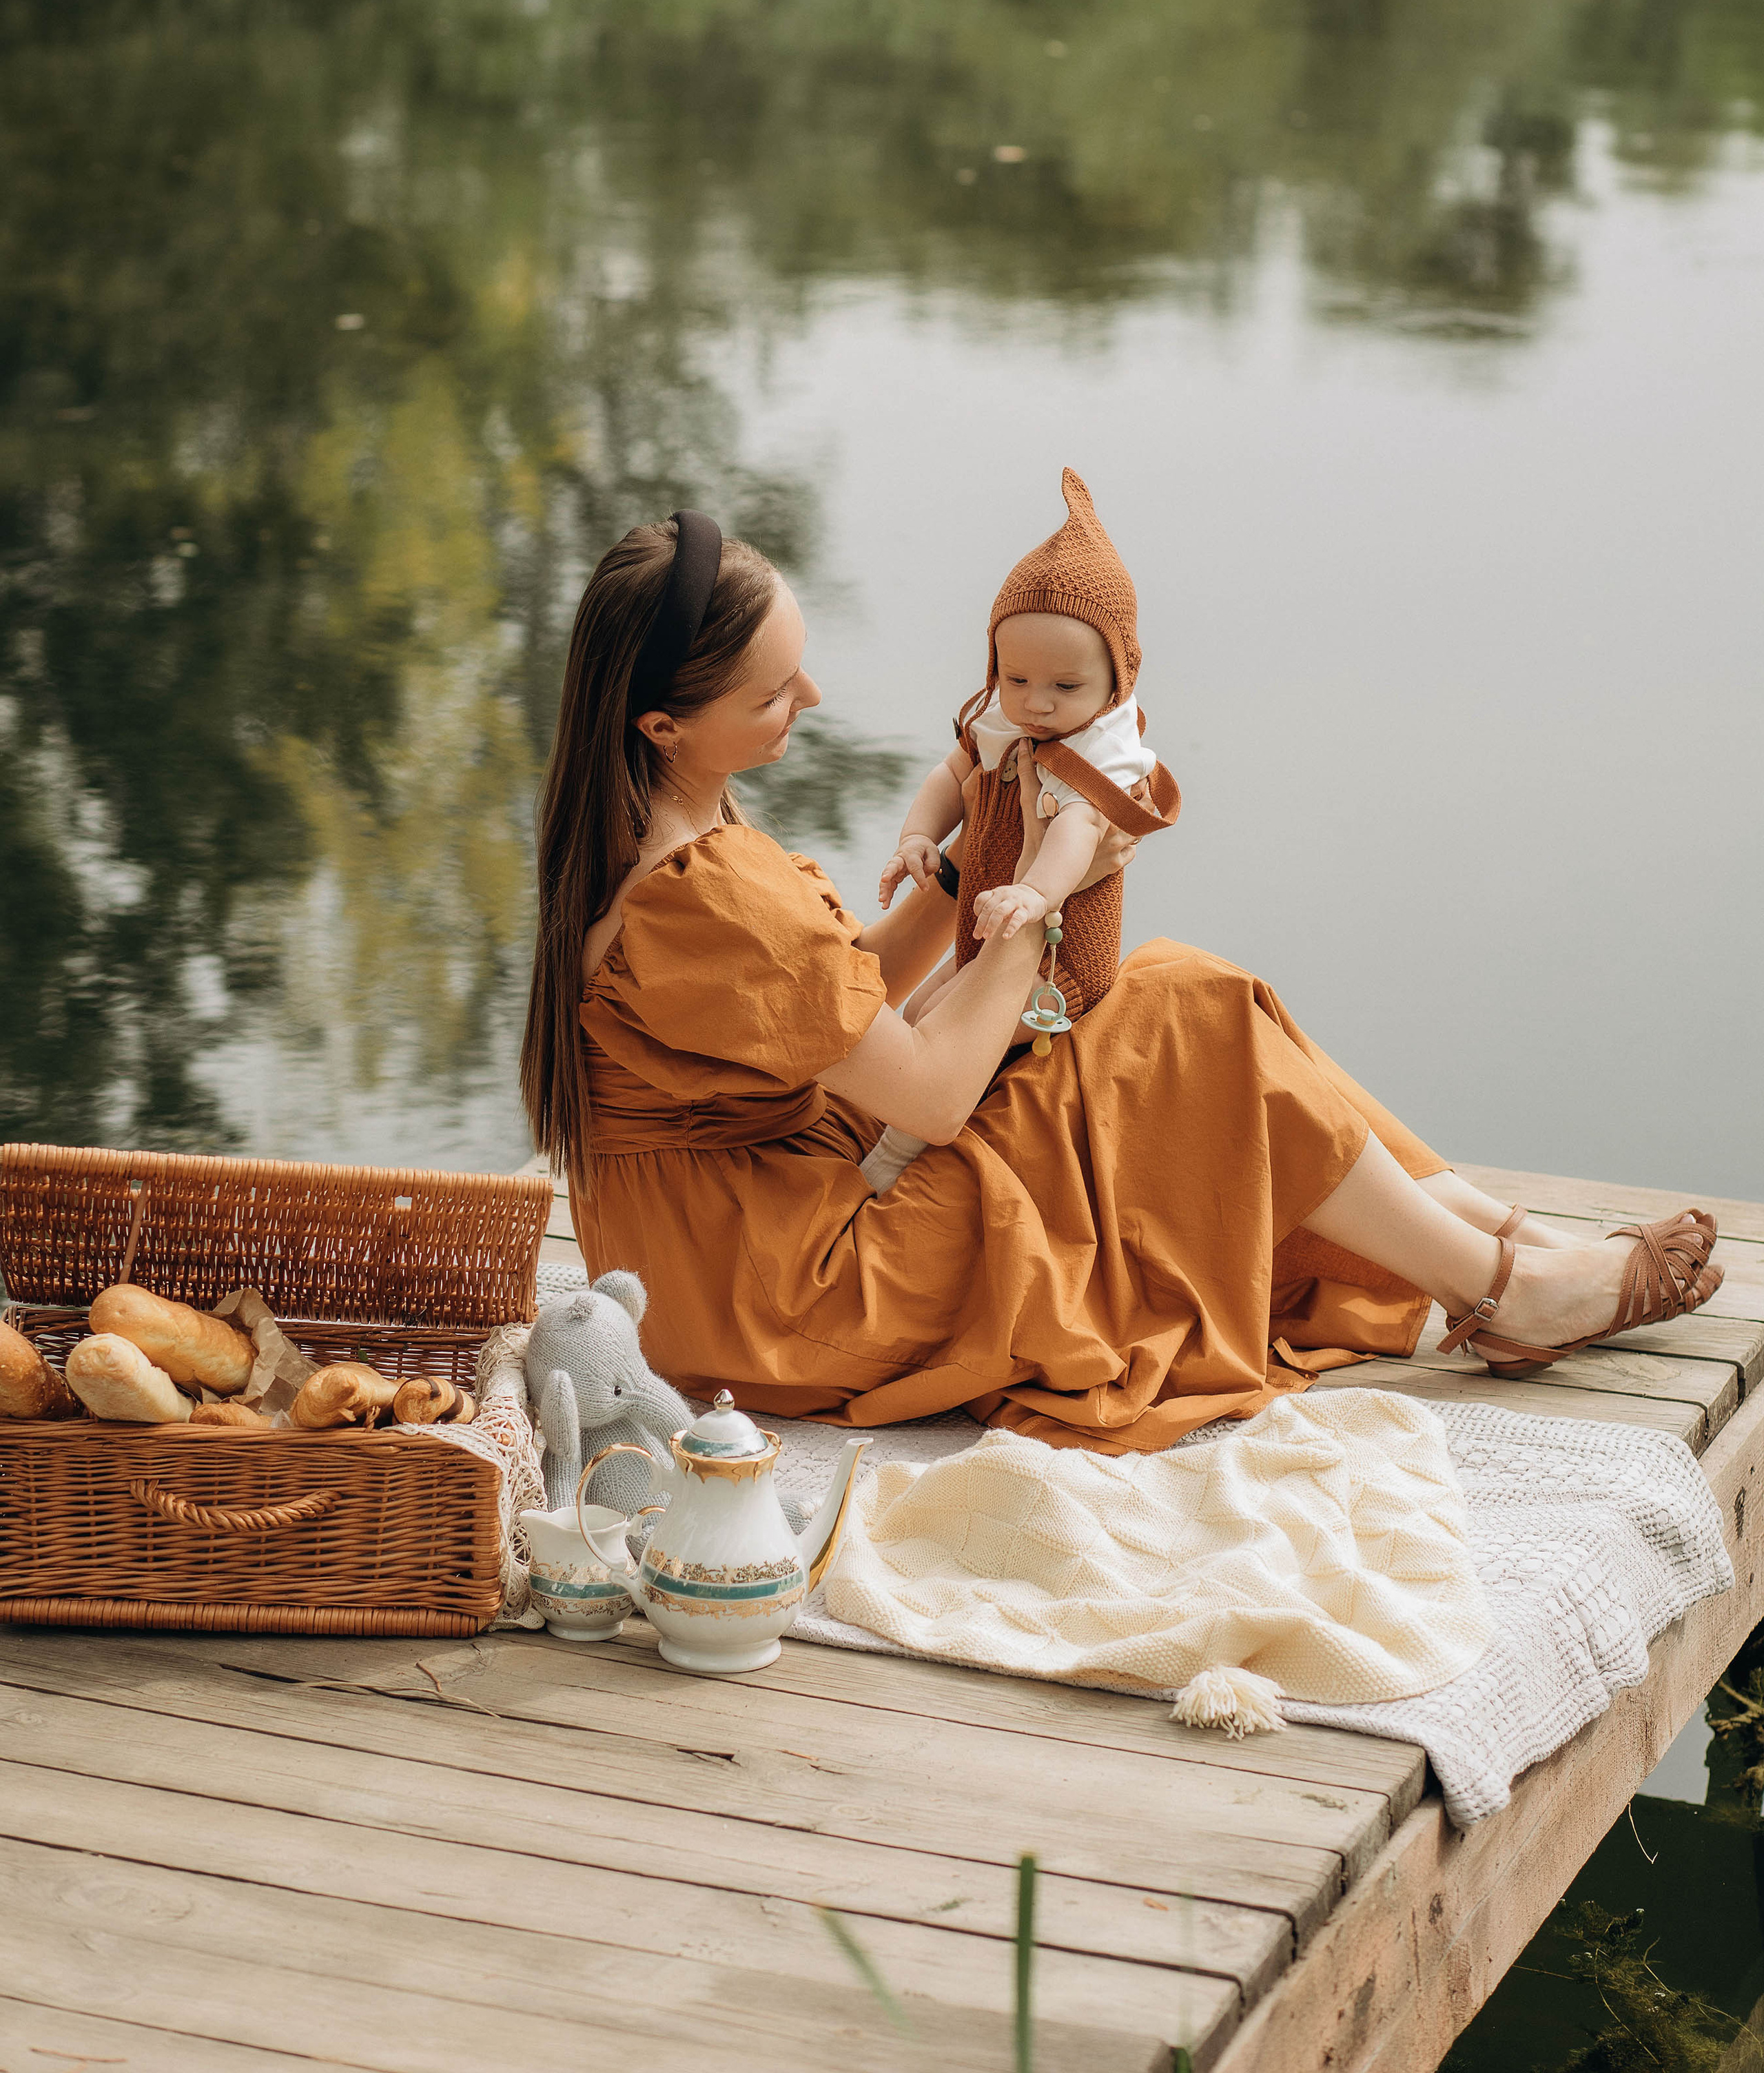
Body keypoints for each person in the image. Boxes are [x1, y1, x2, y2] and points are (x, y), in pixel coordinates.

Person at [520, 507, 1721, 1452]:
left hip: (732, 1250)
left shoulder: (651, 839)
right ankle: (1508, 1288)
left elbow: (841, 1004)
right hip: (791, 1292)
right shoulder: (704, 890)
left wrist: (977, 859)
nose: (814, 701)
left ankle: (1496, 1241)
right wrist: (1052, 893)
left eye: (802, 667)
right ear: (662, 724)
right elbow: (928, 1096)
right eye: (775, 693)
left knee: (1185, 1000)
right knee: (1181, 1006)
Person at [863, 467, 1180, 1195]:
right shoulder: (1008, 719)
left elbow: (1079, 830)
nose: (1036, 703)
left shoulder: (1100, 749)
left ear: (1117, 680)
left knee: (939, 1030)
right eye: (1016, 678)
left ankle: (891, 1162)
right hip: (992, 935)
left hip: (1058, 960)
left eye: (1065, 687)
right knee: (917, 1013)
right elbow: (952, 774)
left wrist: (1035, 894)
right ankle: (941, 1134)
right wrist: (918, 837)